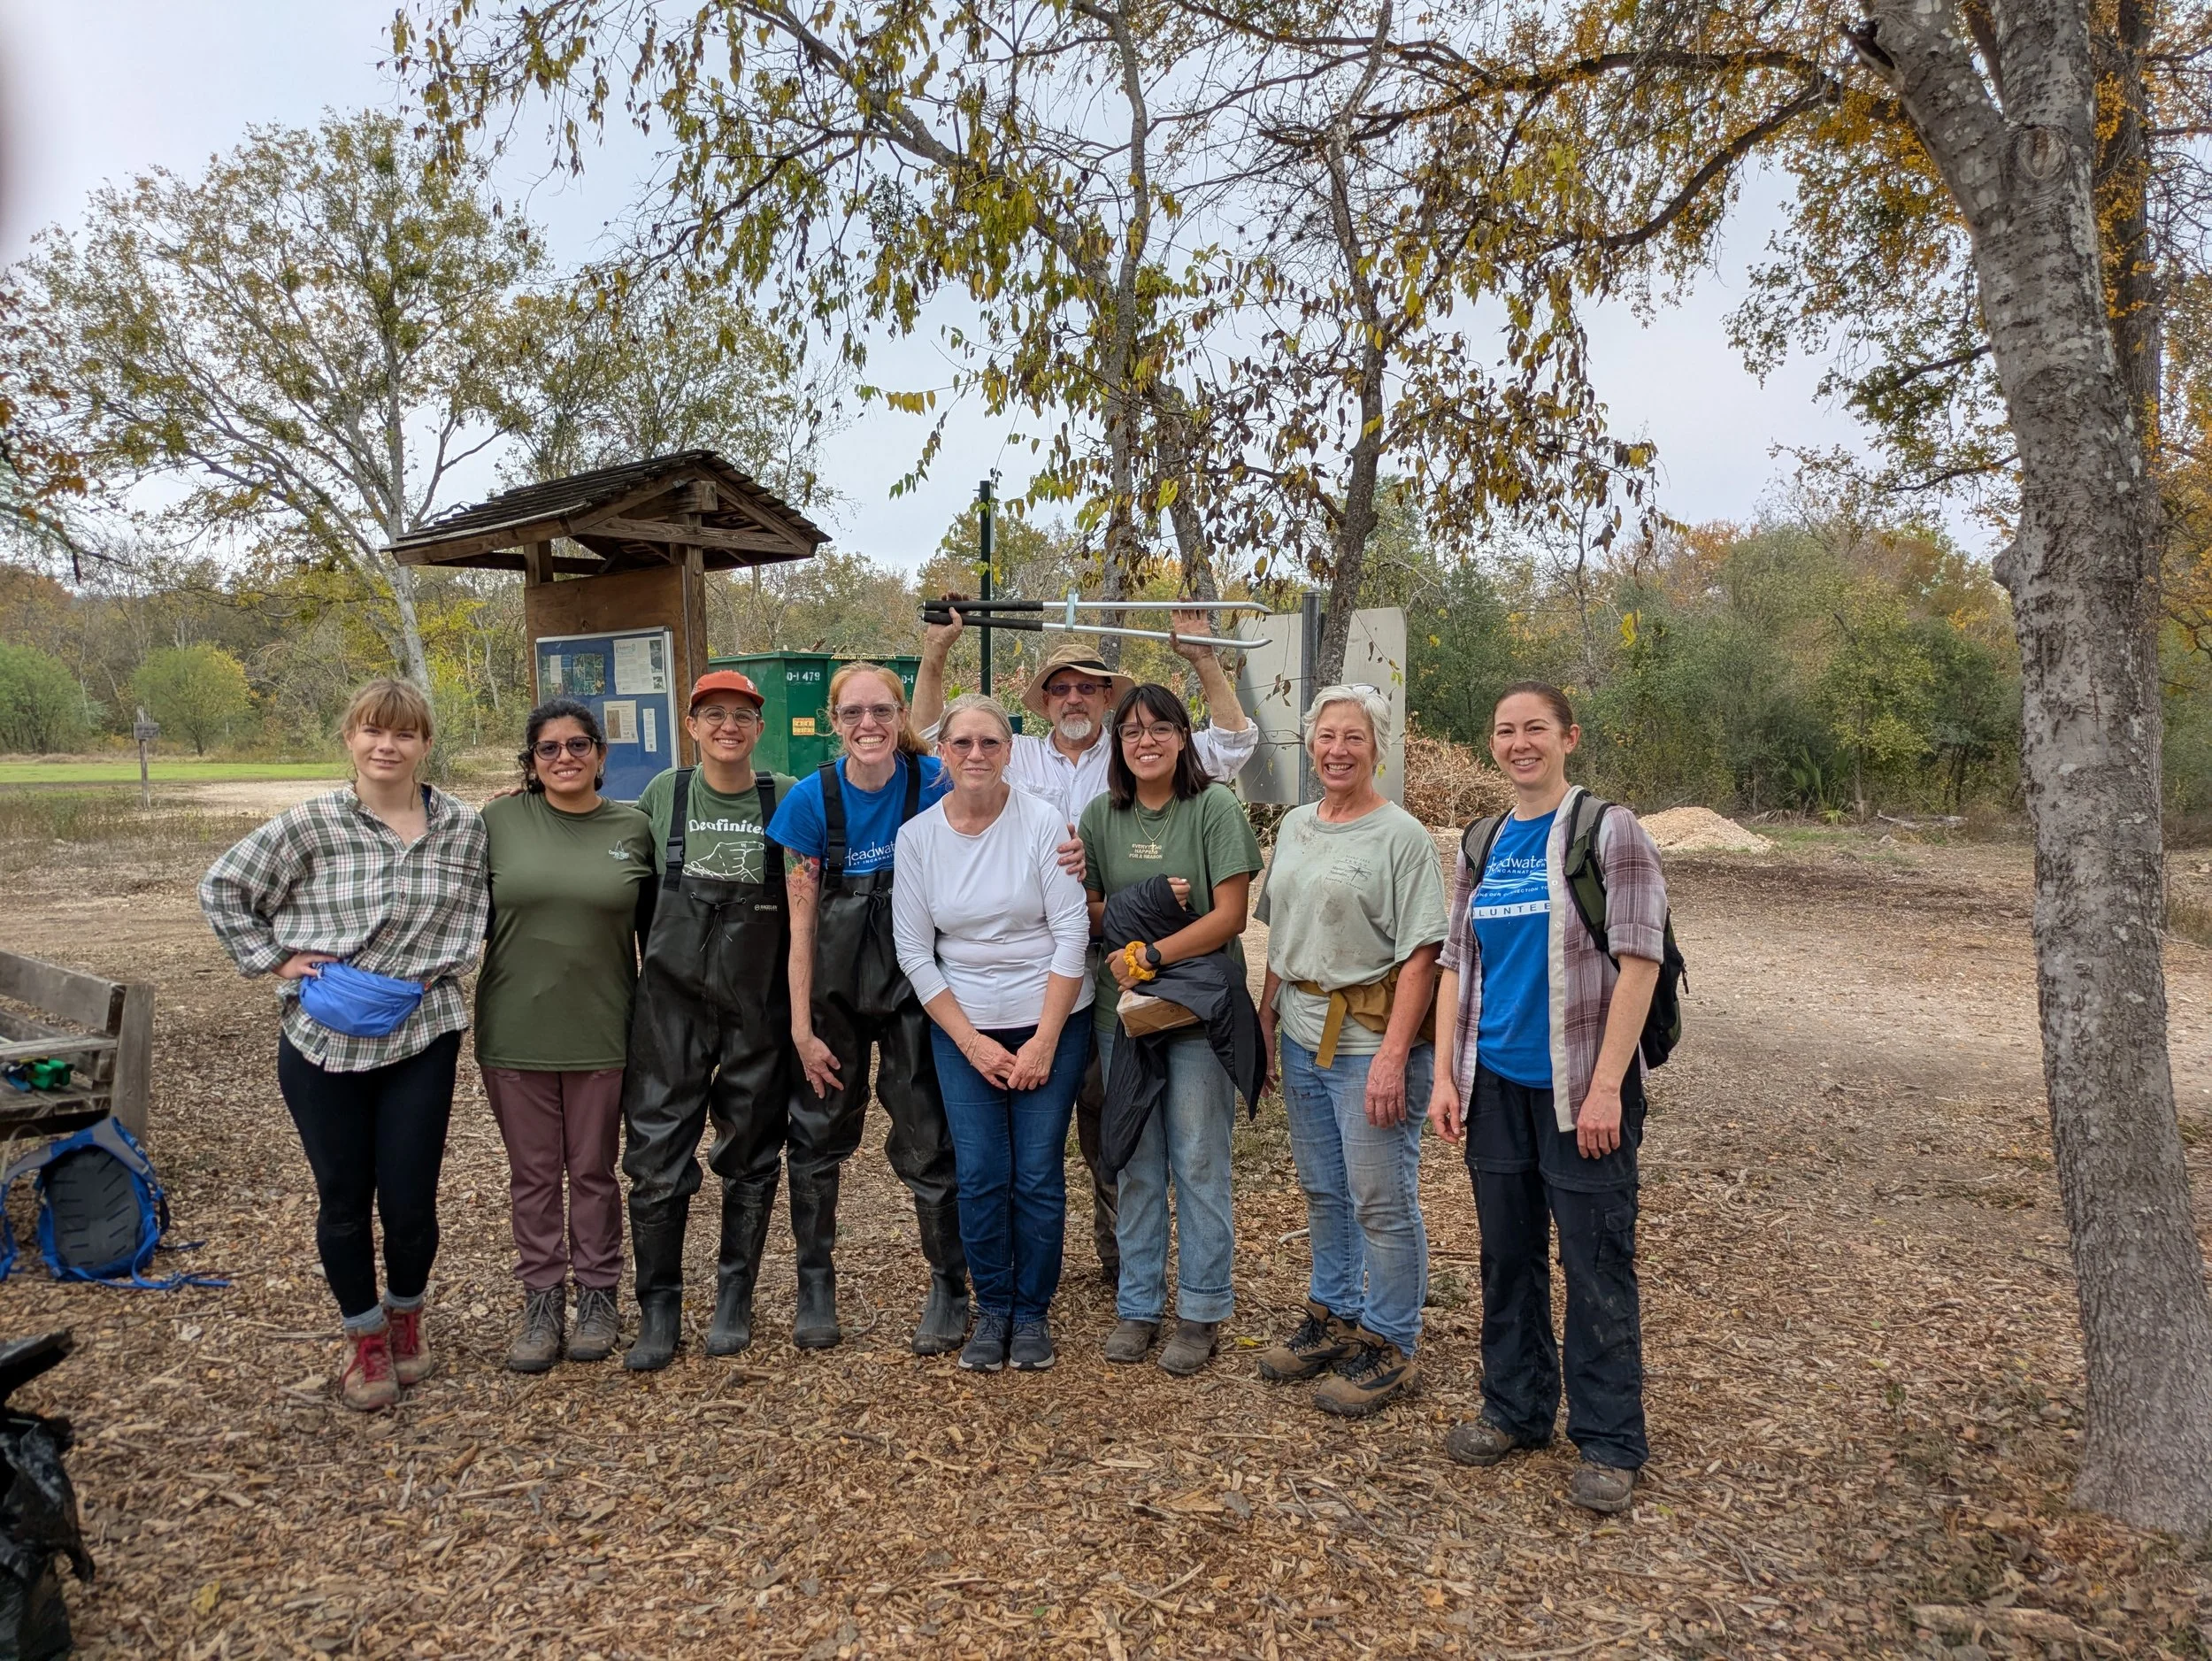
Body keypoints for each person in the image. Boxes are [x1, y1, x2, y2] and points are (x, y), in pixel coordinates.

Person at [913, 611, 1260, 1290]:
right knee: (1059, 1133)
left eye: (1088, 688)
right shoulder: (1020, 757)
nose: (1074, 698)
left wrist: (1203, 662)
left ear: (1107, 699)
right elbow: (932, 742)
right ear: (1043, 702)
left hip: (1137, 963)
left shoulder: (1134, 754)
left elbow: (1231, 744)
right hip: (1053, 973)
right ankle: (1070, 1272)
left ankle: (1120, 1267)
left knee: (1120, 1126)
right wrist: (934, 657)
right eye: (1060, 688)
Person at [199, 678, 487, 1413]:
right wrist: (273, 957)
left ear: (425, 743)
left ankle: (406, 1315)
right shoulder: (311, 825)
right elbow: (223, 885)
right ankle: (364, 1337)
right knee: (343, 1196)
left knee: (412, 1195)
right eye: (371, 731)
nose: (386, 746)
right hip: (322, 1036)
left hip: (422, 1026)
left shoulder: (463, 826)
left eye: (403, 734)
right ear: (350, 739)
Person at [1427, 681, 1668, 1516]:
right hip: (1496, 1083)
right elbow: (1457, 962)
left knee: (1595, 1261)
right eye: (1505, 730)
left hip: (1581, 1088)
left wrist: (1607, 1086)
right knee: (1508, 1253)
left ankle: (1608, 1439)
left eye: (1536, 728)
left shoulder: (1610, 831)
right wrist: (1446, 1075)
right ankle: (1516, 1407)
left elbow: (1640, 959)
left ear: (1568, 736)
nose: (1520, 742)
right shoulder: (1484, 840)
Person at [1255, 685, 1448, 1416]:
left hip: (1369, 1036)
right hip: (1303, 1033)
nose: (1338, 749)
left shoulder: (1401, 836)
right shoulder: (1299, 826)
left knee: (1381, 1197)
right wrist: (1266, 1018)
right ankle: (1332, 1315)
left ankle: (1392, 1341)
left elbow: (1424, 952)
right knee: (1324, 1188)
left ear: (1379, 747)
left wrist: (1396, 1054)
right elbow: (1282, 929)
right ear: (1310, 744)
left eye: (1354, 738)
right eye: (1326, 735)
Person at [893, 694, 1093, 1373]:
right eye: (962, 744)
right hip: (964, 1022)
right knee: (980, 1172)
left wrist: (1043, 1039)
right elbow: (916, 951)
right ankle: (994, 1307)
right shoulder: (918, 837)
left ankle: (1032, 1313)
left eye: (990, 743)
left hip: (1053, 1015)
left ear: (1010, 751)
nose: (975, 755)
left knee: (1035, 1171)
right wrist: (973, 1041)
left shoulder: (1044, 824)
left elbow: (1072, 932)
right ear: (942, 752)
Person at [769, 663, 965, 1354]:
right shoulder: (809, 802)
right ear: (834, 721)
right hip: (834, 995)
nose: (868, 725)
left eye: (881, 710)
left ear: (902, 712)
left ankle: (949, 1283)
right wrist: (800, 1028)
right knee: (817, 1137)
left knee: (928, 1137)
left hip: (918, 989)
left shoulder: (934, 781)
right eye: (852, 713)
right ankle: (814, 1285)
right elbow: (799, 926)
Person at [1078, 682, 1264, 1376]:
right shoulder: (1102, 815)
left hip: (1196, 1012)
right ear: (1117, 745)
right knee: (1135, 1158)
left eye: (1159, 729)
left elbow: (1231, 915)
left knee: (1199, 1157)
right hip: (1121, 1016)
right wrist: (1145, 903)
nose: (1145, 742)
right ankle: (1138, 1303)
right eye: (1131, 732)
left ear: (1184, 737)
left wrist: (1153, 949)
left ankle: (1201, 1308)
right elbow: (1092, 911)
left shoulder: (1212, 806)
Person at [619, 670, 801, 1371]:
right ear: (691, 726)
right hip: (670, 1005)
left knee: (752, 1152)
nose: (729, 726)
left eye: (742, 716)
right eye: (713, 714)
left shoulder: (782, 796)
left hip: (757, 1006)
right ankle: (659, 1305)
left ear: (759, 729)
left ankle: (735, 1297)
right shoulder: (665, 793)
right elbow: (602, 842)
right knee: (656, 1157)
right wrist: (535, 797)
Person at [475, 699, 656, 1373]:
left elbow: (656, 936)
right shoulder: (497, 822)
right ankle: (543, 1298)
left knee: (593, 1171)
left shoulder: (633, 827)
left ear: (602, 755)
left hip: (603, 1028)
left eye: (578, 745)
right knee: (532, 1175)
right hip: (516, 1028)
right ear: (530, 762)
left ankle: (600, 1295)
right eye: (548, 749)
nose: (565, 758)